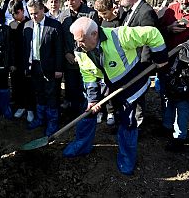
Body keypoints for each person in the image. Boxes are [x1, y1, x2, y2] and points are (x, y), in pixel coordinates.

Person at [69, 17, 168, 175]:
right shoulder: (80, 50)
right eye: (76, 40)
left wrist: (161, 58)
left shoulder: (120, 36)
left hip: (130, 84)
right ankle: (81, 146)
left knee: (128, 121)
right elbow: (87, 74)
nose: (78, 44)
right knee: (87, 112)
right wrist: (93, 100)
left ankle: (126, 158)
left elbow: (152, 33)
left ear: (95, 34)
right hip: (106, 83)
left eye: (81, 40)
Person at [159, 0, 189, 151]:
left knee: (182, 102)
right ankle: (166, 126)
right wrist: (169, 29)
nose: (184, 1)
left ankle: (180, 137)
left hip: (187, 68)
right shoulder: (171, 10)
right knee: (166, 96)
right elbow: (157, 32)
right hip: (168, 63)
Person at [114, 0, 158, 128]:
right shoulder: (130, 10)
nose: (119, 5)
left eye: (119, 1)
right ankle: (129, 121)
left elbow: (148, 41)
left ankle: (137, 126)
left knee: (138, 95)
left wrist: (143, 66)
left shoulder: (146, 12)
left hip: (139, 63)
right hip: (130, 62)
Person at [24, 0, 64, 136]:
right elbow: (26, 48)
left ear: (42, 10)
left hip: (50, 67)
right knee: (38, 92)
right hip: (34, 66)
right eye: (30, 13)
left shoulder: (54, 25)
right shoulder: (27, 25)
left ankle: (53, 121)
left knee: (51, 94)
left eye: (35, 13)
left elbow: (59, 49)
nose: (33, 16)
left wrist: (59, 68)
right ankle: (40, 118)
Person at [59, 0, 99, 119]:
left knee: (86, 88)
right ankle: (73, 113)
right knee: (71, 88)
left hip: (86, 59)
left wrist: (80, 53)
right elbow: (61, 38)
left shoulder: (91, 14)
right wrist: (66, 53)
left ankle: (86, 113)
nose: (70, 2)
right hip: (69, 60)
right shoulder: (63, 15)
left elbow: (94, 37)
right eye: (67, 0)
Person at [8, 0, 35, 122]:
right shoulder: (12, 25)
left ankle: (30, 109)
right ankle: (21, 106)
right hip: (16, 61)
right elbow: (11, 45)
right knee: (17, 85)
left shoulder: (31, 23)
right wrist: (12, 63)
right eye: (12, 14)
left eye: (16, 13)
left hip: (28, 60)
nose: (14, 16)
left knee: (29, 86)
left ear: (22, 11)